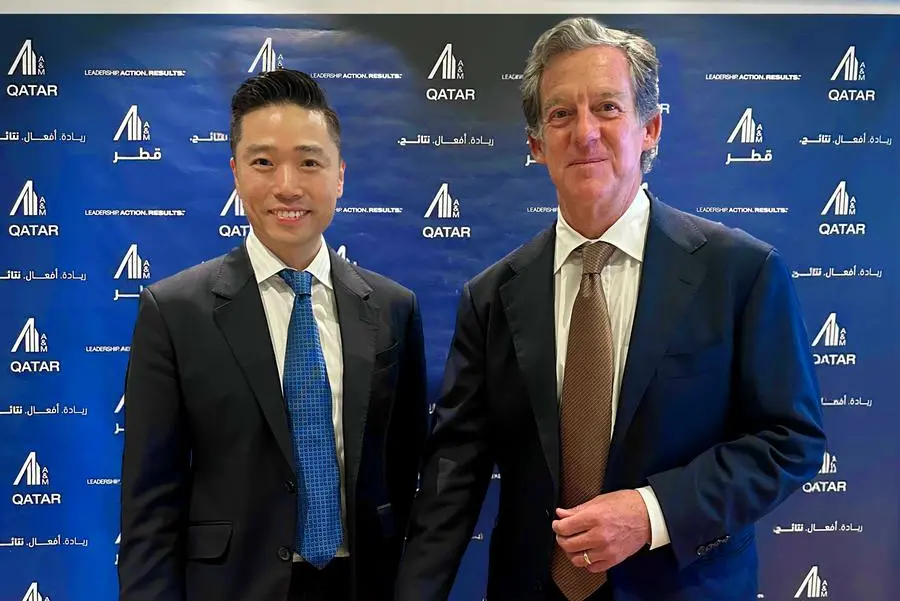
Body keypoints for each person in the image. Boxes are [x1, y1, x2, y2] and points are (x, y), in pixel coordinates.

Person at [394, 16, 826, 601]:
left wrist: (652, 512)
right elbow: (455, 469)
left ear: (650, 128)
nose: (585, 133)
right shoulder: (491, 296)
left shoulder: (741, 273)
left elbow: (788, 440)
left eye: (607, 108)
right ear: (536, 145)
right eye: (560, 114)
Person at [118, 68, 428, 601]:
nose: (287, 185)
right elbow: (150, 503)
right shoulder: (174, 312)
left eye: (310, 162)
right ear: (236, 174)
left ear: (339, 176)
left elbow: (406, 471)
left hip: (362, 584)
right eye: (263, 162)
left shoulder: (392, 308)